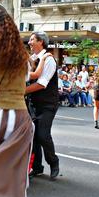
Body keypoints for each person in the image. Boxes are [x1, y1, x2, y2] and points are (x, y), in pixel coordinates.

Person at [26, 31, 60, 180]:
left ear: (41, 42)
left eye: (32, 39)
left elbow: (41, 84)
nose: (29, 42)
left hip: (48, 104)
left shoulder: (49, 60)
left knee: (43, 135)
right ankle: (37, 167)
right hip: (33, 104)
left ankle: (54, 162)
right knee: (33, 137)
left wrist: (21, 92)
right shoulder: (33, 59)